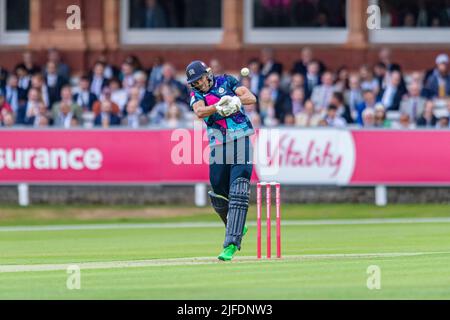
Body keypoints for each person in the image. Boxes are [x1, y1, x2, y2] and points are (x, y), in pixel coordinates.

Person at [186, 60, 256, 261]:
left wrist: (237, 101)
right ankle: (237, 224)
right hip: (218, 144)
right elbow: (199, 111)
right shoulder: (196, 94)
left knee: (239, 189)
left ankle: (231, 244)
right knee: (218, 192)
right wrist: (218, 107)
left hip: (241, 137)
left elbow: (251, 97)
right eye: (195, 82)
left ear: (207, 73)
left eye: (200, 79)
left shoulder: (227, 81)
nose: (199, 84)